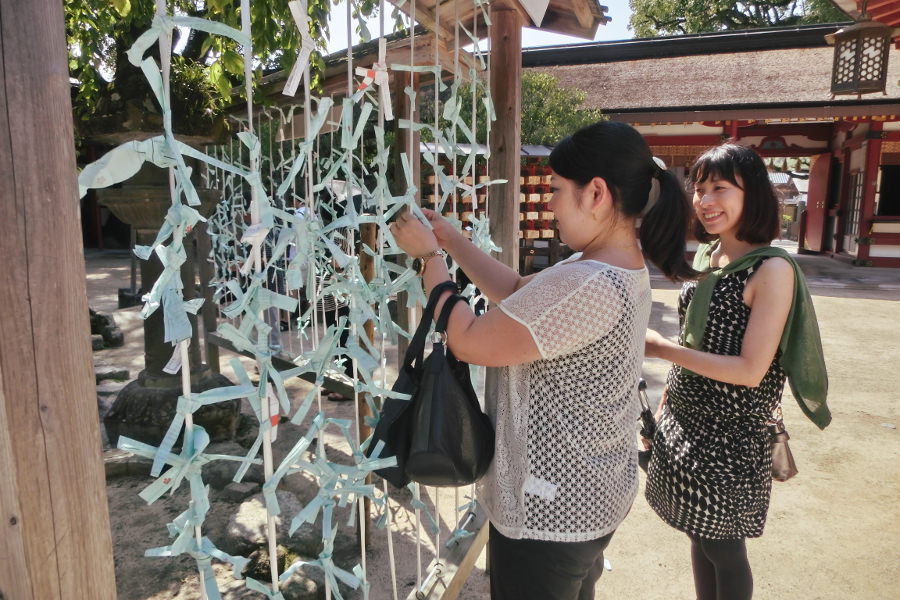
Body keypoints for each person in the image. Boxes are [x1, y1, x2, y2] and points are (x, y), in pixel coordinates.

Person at [390, 121, 695, 600]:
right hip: (587, 496)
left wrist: (429, 260)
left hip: (551, 511)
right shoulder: (609, 265)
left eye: (555, 190)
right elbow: (514, 292)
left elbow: (469, 339)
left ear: (596, 194)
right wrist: (450, 241)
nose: (548, 202)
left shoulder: (588, 283)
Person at [643, 143, 830, 600]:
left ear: (753, 195)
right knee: (697, 530)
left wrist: (662, 349)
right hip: (685, 420)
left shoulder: (771, 269)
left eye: (720, 188)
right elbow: (695, 338)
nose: (706, 201)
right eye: (700, 189)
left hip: (731, 432)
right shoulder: (710, 256)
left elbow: (750, 370)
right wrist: (665, 408)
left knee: (724, 546)